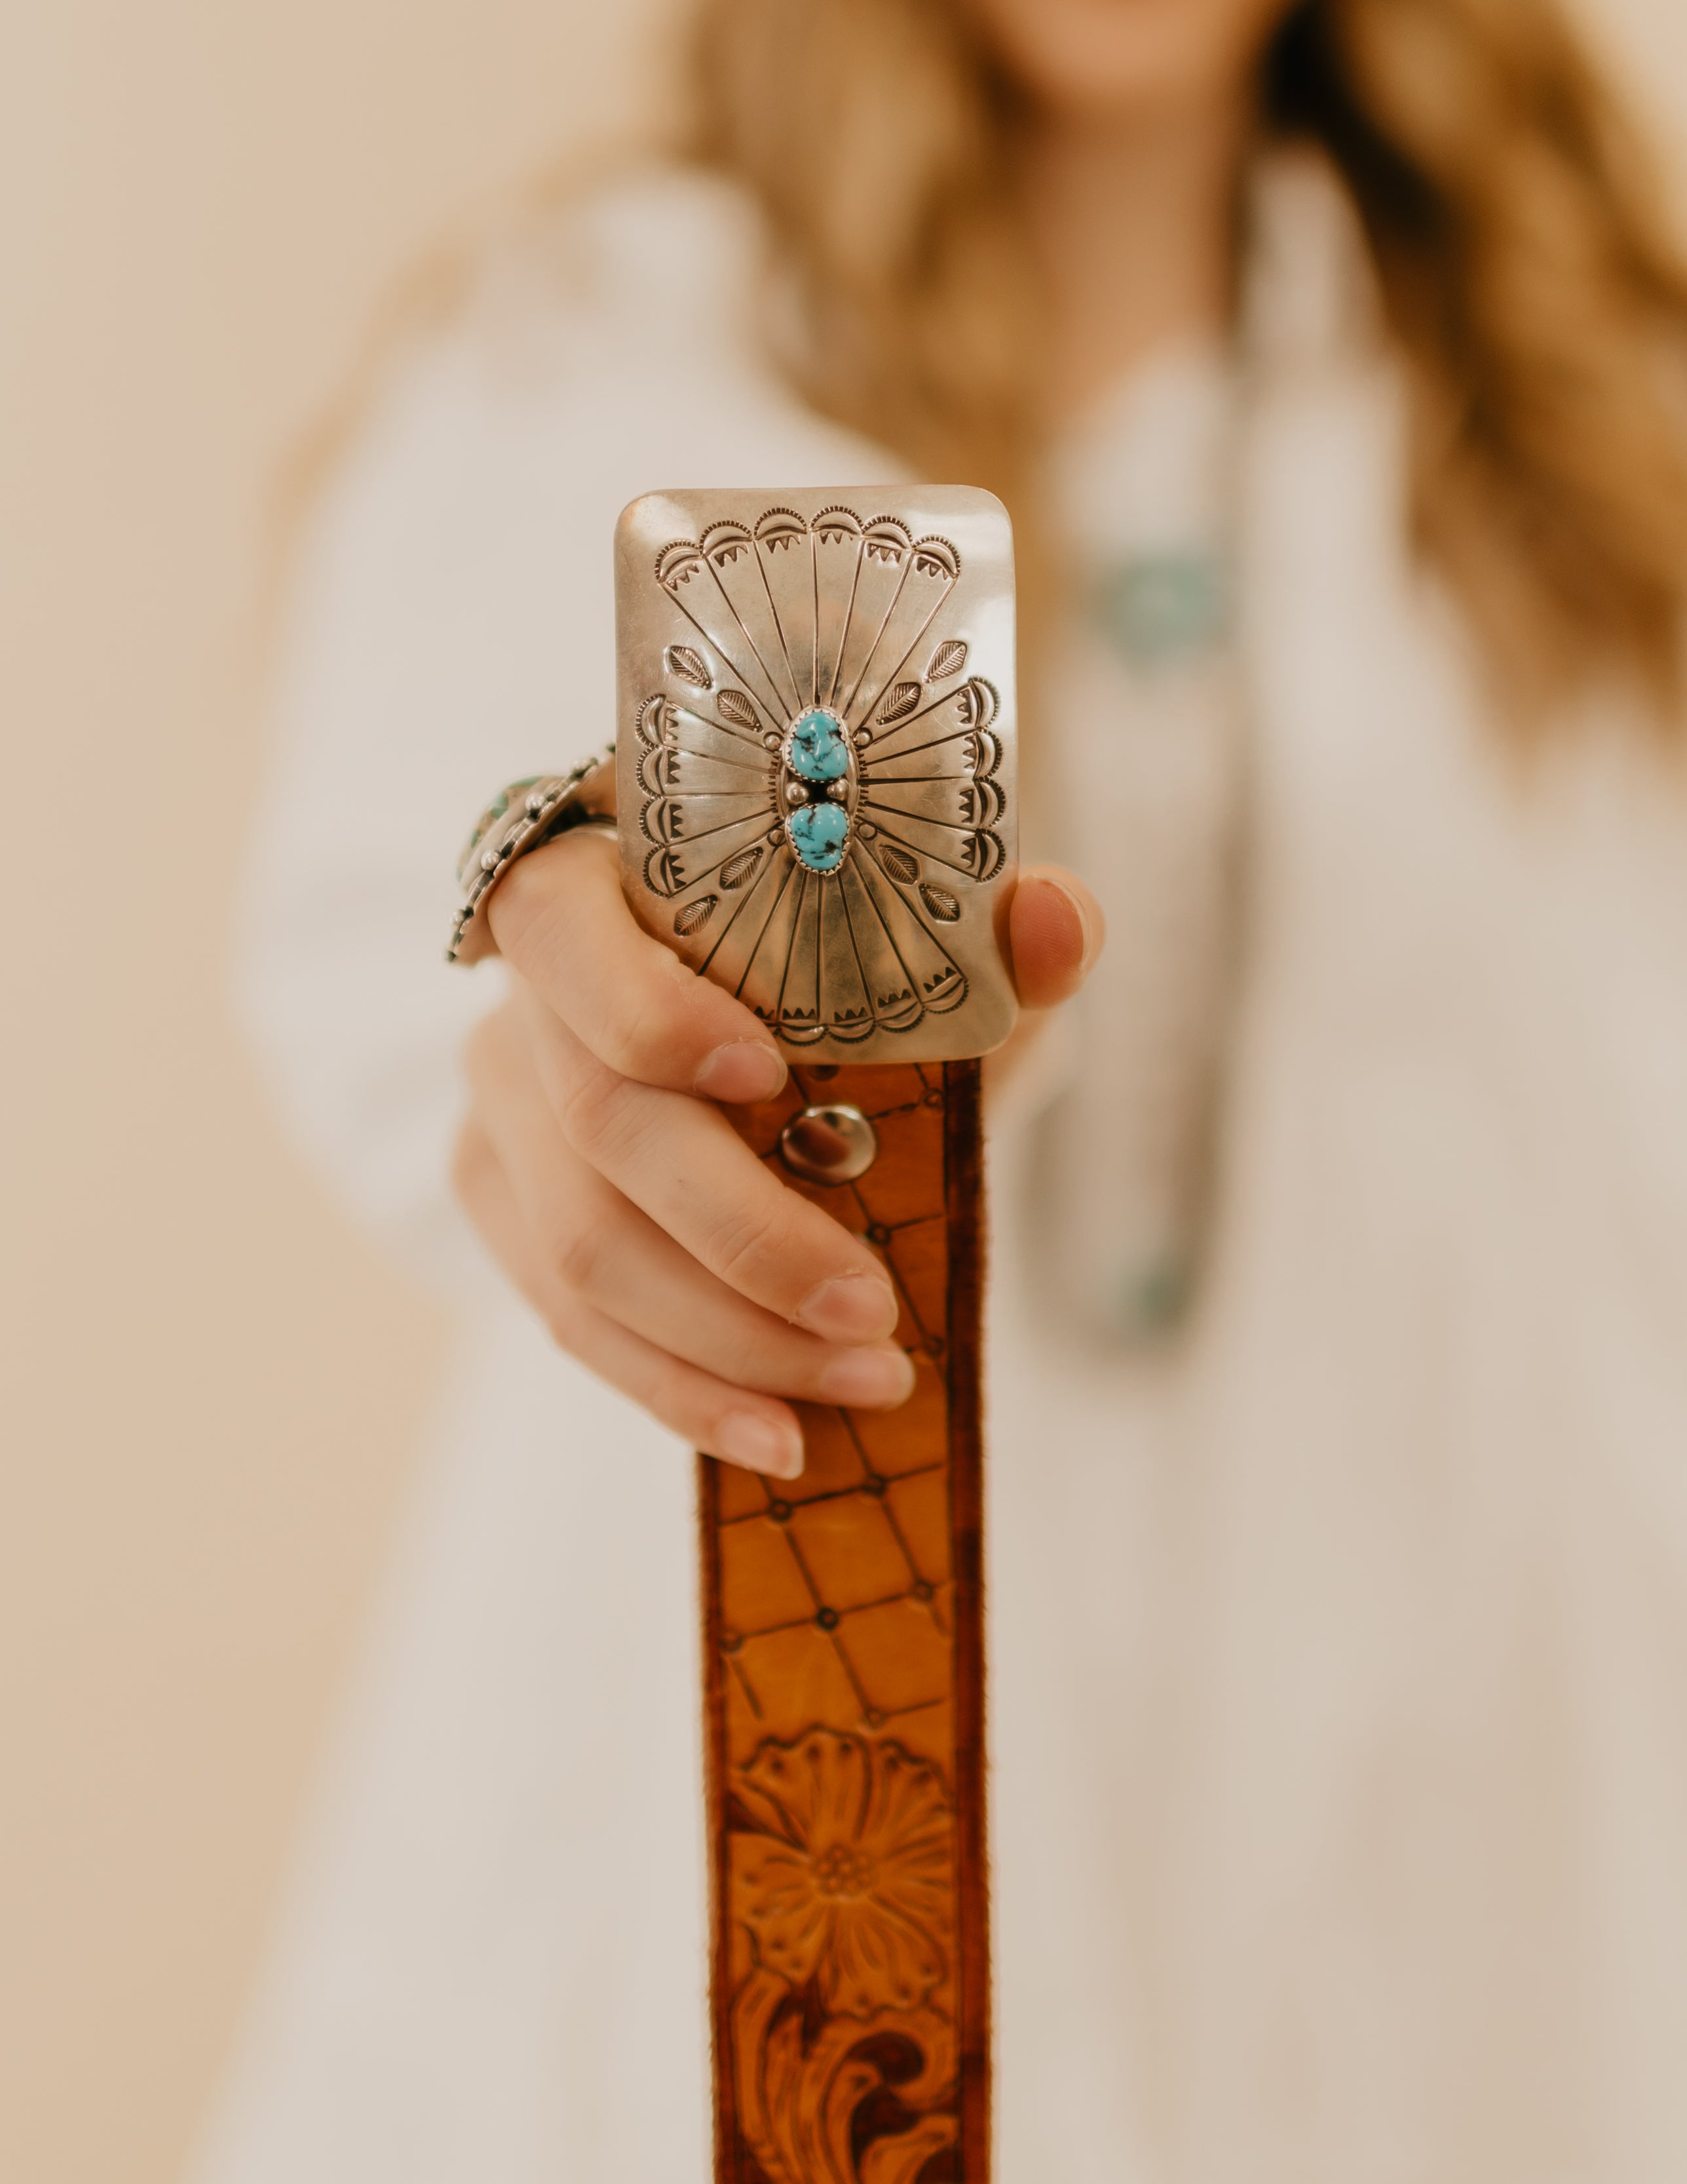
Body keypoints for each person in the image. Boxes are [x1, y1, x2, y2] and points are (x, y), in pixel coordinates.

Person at [201, 0, 1687, 2177]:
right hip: (777, 1859)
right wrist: (595, 1000)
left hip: (1468, 1878)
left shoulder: (1589, 410)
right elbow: (462, 915)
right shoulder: (609, 348)